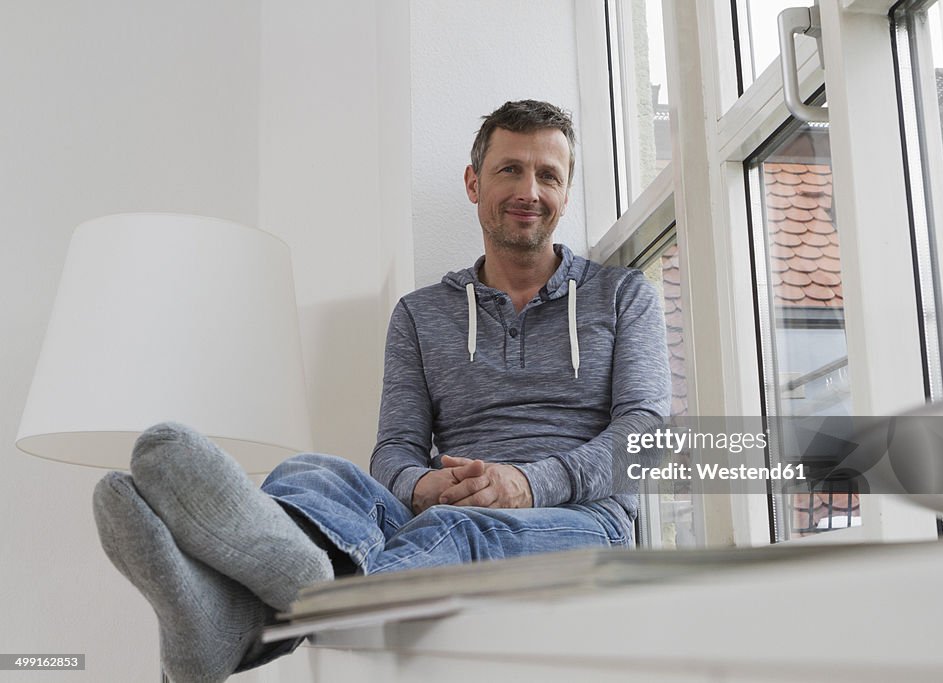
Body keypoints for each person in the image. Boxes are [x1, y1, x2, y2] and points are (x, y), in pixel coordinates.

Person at [92, 99, 671, 682]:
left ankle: (247, 617)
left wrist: (524, 483)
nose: (530, 190)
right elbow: (394, 449)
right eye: (509, 169)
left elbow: (646, 436)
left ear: (566, 193)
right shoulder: (421, 314)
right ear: (474, 183)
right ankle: (245, 615)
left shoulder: (623, 297)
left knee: (457, 528)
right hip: (443, 510)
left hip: (584, 522)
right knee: (312, 475)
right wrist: (421, 485)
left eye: (549, 175)